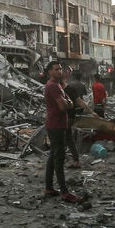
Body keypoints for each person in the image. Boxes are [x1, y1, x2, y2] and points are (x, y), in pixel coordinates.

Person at [41, 61, 81, 203]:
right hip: (56, 126)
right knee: (59, 159)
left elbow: (68, 102)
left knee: (53, 156)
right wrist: (68, 103)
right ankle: (64, 192)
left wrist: (67, 102)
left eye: (60, 69)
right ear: (49, 71)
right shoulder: (53, 86)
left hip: (56, 125)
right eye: (56, 69)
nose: (60, 71)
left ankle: (49, 187)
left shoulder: (56, 85)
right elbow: (64, 107)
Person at [64, 70, 100, 165]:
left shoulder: (69, 86)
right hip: (79, 108)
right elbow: (83, 98)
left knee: (66, 135)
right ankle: (75, 152)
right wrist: (91, 112)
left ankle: (68, 154)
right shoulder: (82, 85)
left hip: (70, 109)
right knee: (72, 131)